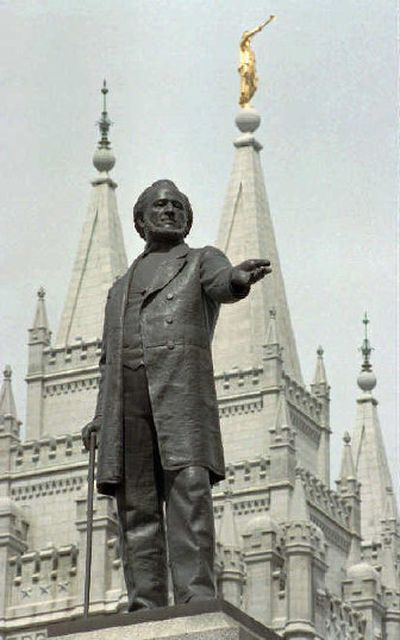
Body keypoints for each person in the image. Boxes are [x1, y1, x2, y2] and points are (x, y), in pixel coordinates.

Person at [82, 179, 271, 611]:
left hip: (180, 396)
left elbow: (223, 281)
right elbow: (108, 358)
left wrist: (238, 279)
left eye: (177, 207)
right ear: (140, 220)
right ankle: (145, 601)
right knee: (135, 503)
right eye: (160, 206)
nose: (169, 211)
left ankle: (195, 594)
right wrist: (99, 416)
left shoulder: (201, 261)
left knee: (189, 491)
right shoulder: (119, 288)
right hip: (126, 401)